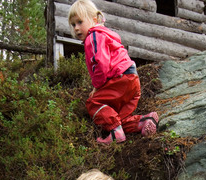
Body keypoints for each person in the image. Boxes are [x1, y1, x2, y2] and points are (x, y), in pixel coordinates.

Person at [68, 0, 159, 145]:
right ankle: (143, 122)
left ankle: (116, 134)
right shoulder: (105, 35)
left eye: (80, 22)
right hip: (132, 80)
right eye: (73, 24)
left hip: (120, 79)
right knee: (115, 117)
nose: (77, 28)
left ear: (93, 20)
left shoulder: (93, 37)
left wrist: (97, 86)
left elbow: (101, 64)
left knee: (93, 103)